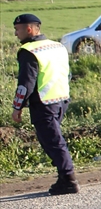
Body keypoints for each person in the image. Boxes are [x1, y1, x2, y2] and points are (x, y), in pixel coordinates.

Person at [11, 14, 78, 195]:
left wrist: (17, 107)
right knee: (53, 140)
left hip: (43, 103)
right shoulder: (57, 46)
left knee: (54, 143)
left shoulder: (28, 51)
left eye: (17, 29)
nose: (16, 34)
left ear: (29, 29)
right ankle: (64, 176)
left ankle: (68, 179)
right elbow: (67, 73)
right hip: (61, 99)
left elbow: (26, 83)